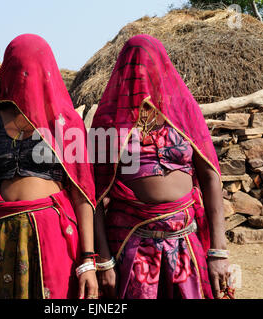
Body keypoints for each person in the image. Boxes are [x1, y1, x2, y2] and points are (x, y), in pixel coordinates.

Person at [91, 34, 232, 299]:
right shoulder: (109, 120)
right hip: (132, 244)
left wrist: (219, 251)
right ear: (124, 73)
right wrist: (104, 260)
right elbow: (94, 196)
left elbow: (211, 177)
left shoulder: (184, 112)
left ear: (161, 69)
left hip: (186, 243)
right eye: (135, 68)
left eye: (148, 66)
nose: (141, 74)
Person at [0, 34, 98, 299]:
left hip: (52, 236)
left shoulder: (65, 124)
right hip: (2, 239)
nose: (24, 75)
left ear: (46, 71)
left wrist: (88, 261)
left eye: (31, 69)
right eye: (17, 68)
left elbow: (82, 195)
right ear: (8, 73)